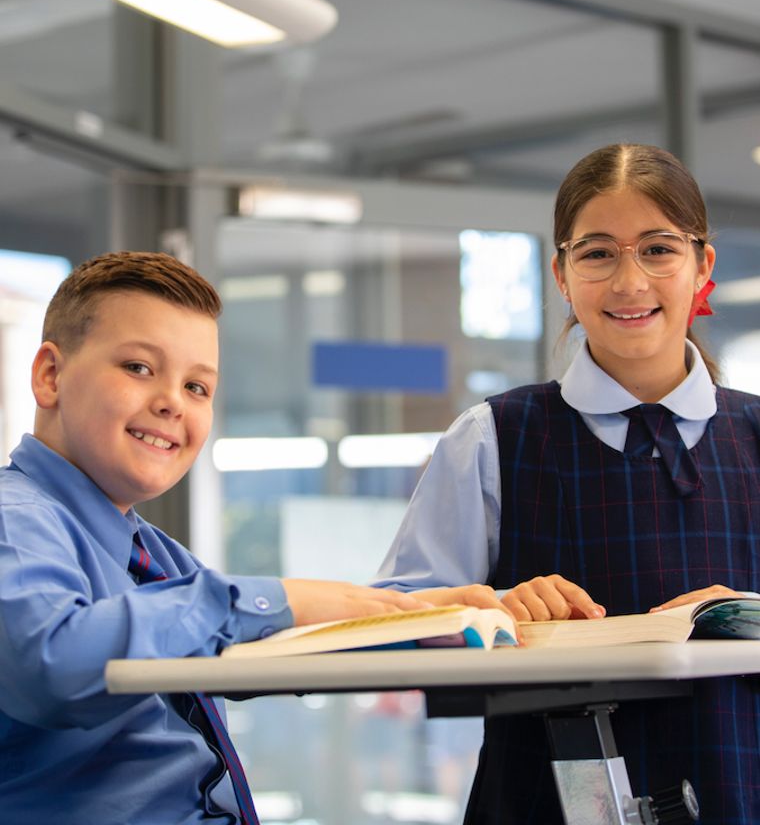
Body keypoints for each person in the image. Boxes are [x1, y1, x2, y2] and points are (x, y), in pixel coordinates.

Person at [0, 251, 503, 824]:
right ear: (50, 376)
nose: (171, 402)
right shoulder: (14, 519)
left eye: (197, 387)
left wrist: (421, 615)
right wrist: (283, 599)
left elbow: (248, 644)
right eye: (139, 368)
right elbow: (54, 662)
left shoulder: (149, 551)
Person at [375, 143, 760, 825]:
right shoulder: (494, 436)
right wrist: (492, 604)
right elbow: (389, 620)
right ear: (561, 273)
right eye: (598, 252)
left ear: (703, 265)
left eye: (658, 250)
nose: (630, 282)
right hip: (540, 799)